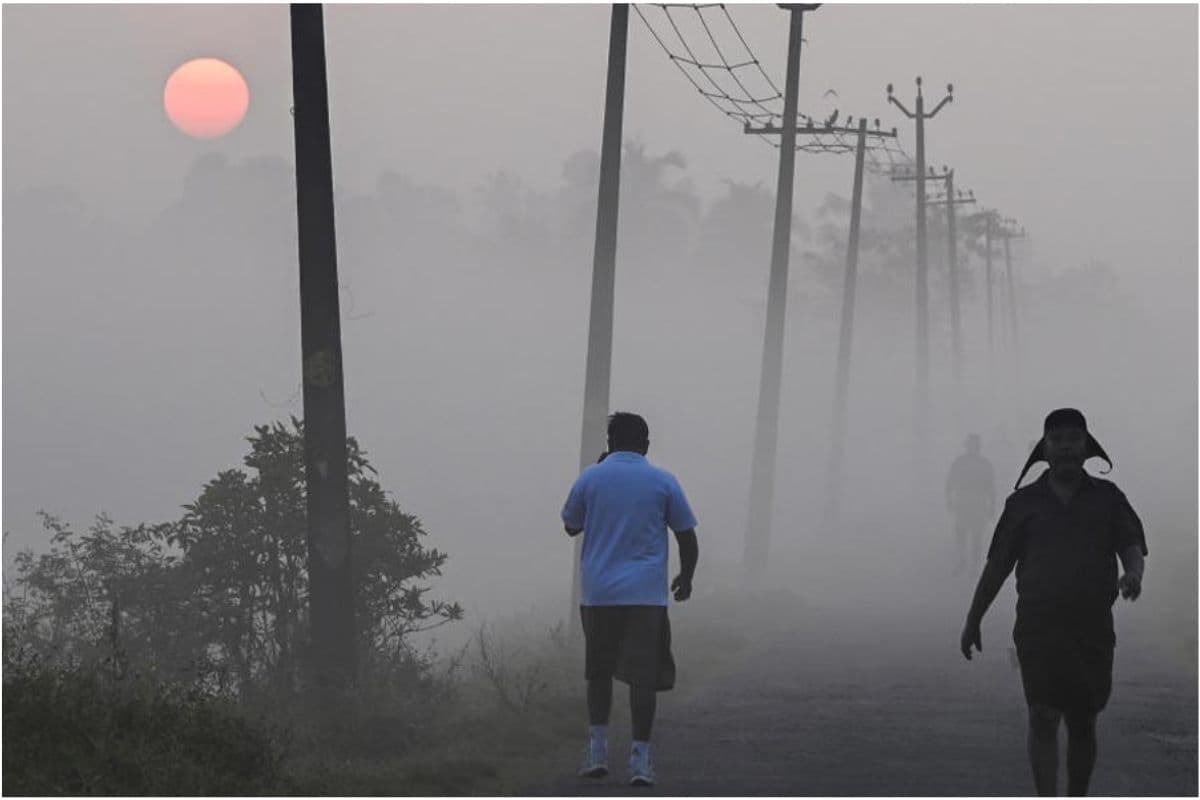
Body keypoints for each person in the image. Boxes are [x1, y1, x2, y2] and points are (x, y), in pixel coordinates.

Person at [960, 408, 1147, 796]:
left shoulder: (1108, 498)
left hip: (1092, 628)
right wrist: (973, 618)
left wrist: (1133, 575)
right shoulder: (1022, 504)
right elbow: (997, 567)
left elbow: (1130, 543)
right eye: (1057, 439)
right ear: (1045, 448)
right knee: (1043, 715)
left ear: (1086, 446)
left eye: (1073, 438)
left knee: (1082, 722)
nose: (1065, 446)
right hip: (1038, 627)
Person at [561, 412, 699, 787]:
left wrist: (598, 470)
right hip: (646, 594)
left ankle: (598, 750)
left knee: (599, 672)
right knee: (643, 677)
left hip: (599, 591)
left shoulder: (591, 477)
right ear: (646, 444)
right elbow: (687, 535)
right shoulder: (662, 480)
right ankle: (640, 758)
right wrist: (685, 578)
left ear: (610, 442)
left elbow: (571, 524)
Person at [945, 433, 997, 575]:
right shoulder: (960, 462)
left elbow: (991, 487)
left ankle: (974, 565)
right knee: (961, 533)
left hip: (978, 501)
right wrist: (949, 499)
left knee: (977, 535)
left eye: (975, 445)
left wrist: (992, 505)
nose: (973, 448)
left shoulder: (984, 464)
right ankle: (963, 560)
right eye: (971, 445)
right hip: (964, 500)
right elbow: (950, 482)